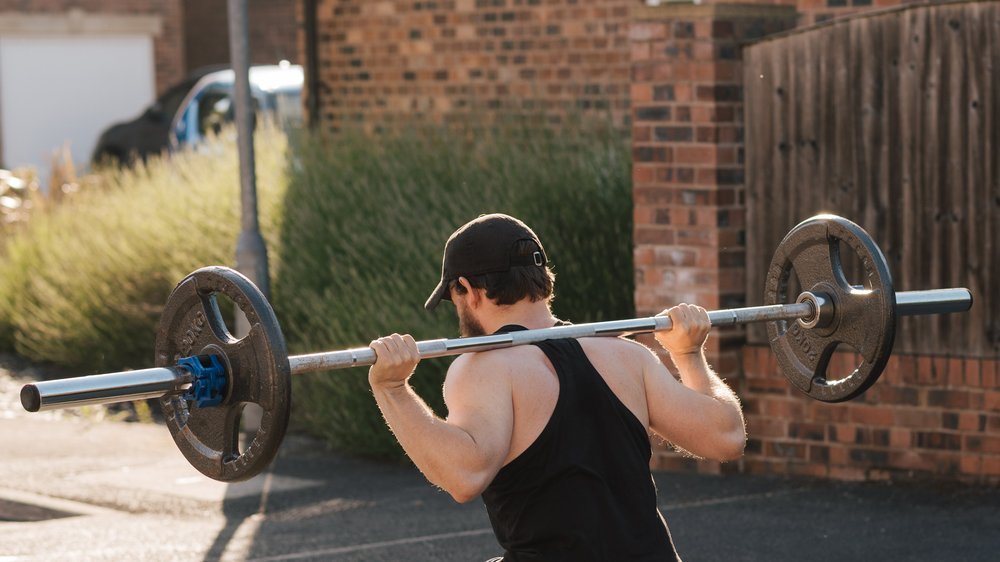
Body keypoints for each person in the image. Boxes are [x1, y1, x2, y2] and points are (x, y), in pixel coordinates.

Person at [368, 213, 746, 561]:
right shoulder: (625, 355)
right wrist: (689, 354)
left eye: (453, 297)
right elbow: (726, 436)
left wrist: (392, 390)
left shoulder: (484, 367)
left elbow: (464, 476)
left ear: (468, 289)